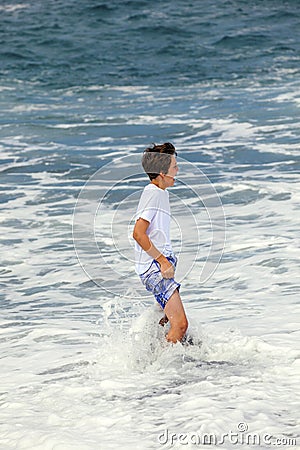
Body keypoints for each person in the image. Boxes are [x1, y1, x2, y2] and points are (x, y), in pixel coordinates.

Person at [132, 142, 188, 343]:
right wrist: (163, 261)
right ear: (162, 173)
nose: (177, 170)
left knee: (164, 321)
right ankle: (159, 371)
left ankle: (146, 355)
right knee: (180, 325)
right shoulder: (152, 193)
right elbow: (138, 233)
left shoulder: (160, 193)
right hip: (155, 269)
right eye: (174, 167)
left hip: (159, 266)